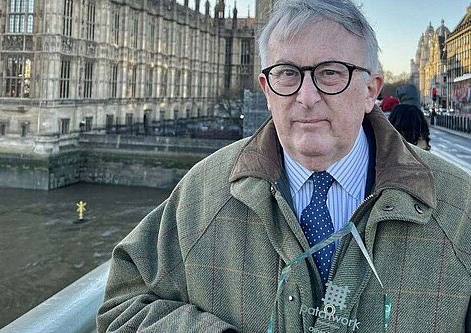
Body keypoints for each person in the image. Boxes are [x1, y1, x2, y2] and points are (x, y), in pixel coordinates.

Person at [97, 1, 470, 332]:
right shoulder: (203, 191)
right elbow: (122, 308)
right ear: (266, 88)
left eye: (331, 73)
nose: (307, 98)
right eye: (288, 73)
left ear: (371, 90)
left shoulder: (460, 207)